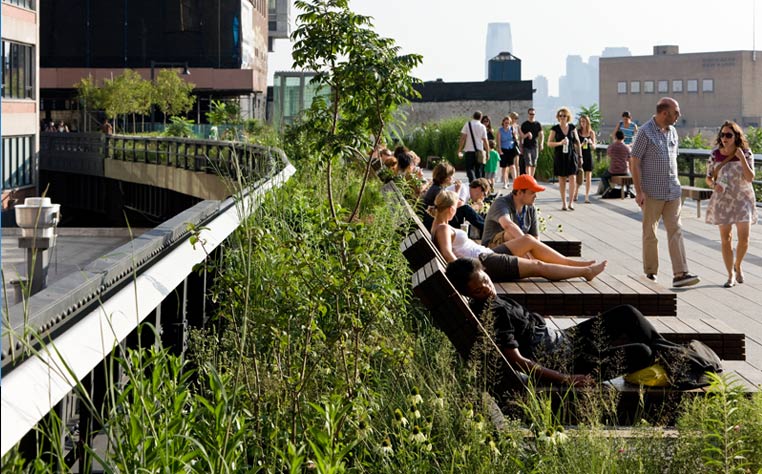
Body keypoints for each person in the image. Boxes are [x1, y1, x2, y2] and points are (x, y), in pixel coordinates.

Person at [445, 257, 719, 387]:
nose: (487, 289)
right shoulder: (491, 311)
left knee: (627, 313)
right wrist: (566, 379)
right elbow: (516, 360)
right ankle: (682, 359)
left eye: (486, 281)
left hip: (564, 339)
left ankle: (680, 359)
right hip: (564, 361)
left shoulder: (491, 300)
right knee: (642, 352)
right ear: (468, 293)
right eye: (478, 290)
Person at [430, 192, 606, 283]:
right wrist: (471, 274)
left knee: (528, 239)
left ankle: (571, 263)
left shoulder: (439, 226)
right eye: (456, 208)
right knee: (537, 266)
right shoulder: (443, 228)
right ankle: (585, 272)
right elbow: (447, 254)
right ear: (451, 209)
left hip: (486, 254)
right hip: (484, 262)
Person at [630, 97, 700, 288]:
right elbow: (634, 161)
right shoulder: (645, 132)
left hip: (672, 191)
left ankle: (680, 274)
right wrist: (639, 191)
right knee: (650, 233)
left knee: (676, 230)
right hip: (651, 192)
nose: (679, 115)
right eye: (676, 112)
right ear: (664, 113)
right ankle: (651, 273)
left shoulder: (673, 132)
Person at [704, 121, 757, 288]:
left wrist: (741, 158)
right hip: (723, 199)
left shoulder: (746, 153)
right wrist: (714, 185)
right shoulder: (715, 154)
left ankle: (738, 264)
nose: (725, 138)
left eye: (729, 135)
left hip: (743, 199)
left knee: (744, 239)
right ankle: (730, 275)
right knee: (726, 239)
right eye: (722, 135)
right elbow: (708, 178)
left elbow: (750, 178)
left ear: (736, 137)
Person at [481, 175, 543, 248]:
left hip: (517, 248)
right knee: (510, 233)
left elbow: (536, 237)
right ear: (519, 192)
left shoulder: (531, 208)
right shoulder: (501, 203)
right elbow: (508, 225)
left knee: (533, 242)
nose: (535, 196)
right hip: (491, 249)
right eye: (532, 192)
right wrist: (527, 242)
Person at [421, 162, 484, 232]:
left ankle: (484, 225)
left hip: (435, 219)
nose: (453, 178)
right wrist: (457, 190)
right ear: (446, 178)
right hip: (436, 221)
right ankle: (485, 227)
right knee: (465, 209)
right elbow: (452, 205)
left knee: (465, 209)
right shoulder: (438, 191)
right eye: (452, 176)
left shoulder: (436, 187)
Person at [547, 107, 582, 211]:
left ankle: (571, 202)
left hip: (571, 155)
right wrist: (560, 143)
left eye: (564, 116)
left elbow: (577, 142)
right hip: (560, 156)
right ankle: (564, 203)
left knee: (573, 178)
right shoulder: (555, 129)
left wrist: (580, 156)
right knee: (562, 179)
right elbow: (549, 143)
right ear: (558, 117)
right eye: (560, 115)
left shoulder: (572, 127)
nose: (562, 117)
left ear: (568, 117)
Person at [457, 111, 490, 182]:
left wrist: (459, 150)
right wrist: (488, 152)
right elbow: (485, 140)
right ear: (481, 117)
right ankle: (478, 184)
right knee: (478, 170)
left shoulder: (467, 124)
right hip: (479, 151)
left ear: (473, 116)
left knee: (469, 168)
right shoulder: (482, 126)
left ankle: (473, 181)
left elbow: (463, 138)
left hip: (469, 150)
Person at [600, 130, 631, 195]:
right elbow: (629, 159)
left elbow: (609, 155)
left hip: (613, 170)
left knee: (603, 176)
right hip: (623, 170)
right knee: (628, 175)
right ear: (624, 137)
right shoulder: (627, 148)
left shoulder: (611, 146)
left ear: (615, 137)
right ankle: (629, 189)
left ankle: (607, 187)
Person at [576, 114, 597, 204]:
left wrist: (591, 142)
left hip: (588, 155)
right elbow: (576, 147)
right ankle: (575, 193)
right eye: (581, 121)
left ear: (587, 122)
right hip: (580, 156)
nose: (582, 123)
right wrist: (582, 144)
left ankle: (587, 196)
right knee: (579, 175)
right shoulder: (577, 132)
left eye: (584, 121)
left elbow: (594, 147)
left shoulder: (591, 133)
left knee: (588, 177)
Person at [496, 113, 520, 188]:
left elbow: (516, 139)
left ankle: (515, 182)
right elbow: (498, 141)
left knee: (512, 166)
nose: (507, 124)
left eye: (508, 123)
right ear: (503, 122)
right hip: (503, 149)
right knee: (504, 167)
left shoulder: (512, 129)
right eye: (506, 123)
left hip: (511, 149)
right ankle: (505, 183)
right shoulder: (500, 130)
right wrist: (500, 150)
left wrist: (515, 135)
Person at [520, 108, 544, 177]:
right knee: (528, 163)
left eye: (533, 114)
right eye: (530, 114)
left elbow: (541, 134)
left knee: (534, 163)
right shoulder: (524, 124)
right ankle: (528, 177)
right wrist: (521, 146)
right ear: (528, 114)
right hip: (526, 146)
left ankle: (531, 178)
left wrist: (541, 143)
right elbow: (521, 136)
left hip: (535, 146)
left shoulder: (537, 124)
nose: (532, 115)